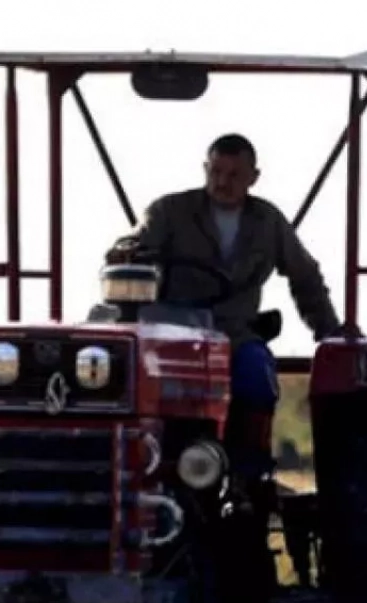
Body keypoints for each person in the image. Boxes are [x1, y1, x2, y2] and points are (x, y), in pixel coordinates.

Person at [105, 133, 351, 484]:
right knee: (129, 382)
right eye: (216, 172)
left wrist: (329, 332)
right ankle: (140, 463)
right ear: (205, 169)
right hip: (172, 336)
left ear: (254, 177)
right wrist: (125, 251)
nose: (222, 182)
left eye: (234, 175)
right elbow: (134, 242)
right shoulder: (169, 212)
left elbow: (305, 278)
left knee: (255, 374)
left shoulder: (268, 222)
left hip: (232, 335)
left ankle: (249, 475)